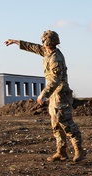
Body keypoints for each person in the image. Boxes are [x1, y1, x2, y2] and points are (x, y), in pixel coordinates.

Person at [5, 30, 86, 162]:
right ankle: (61, 152)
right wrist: (15, 42)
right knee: (56, 124)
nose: (42, 44)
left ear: (47, 43)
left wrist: (43, 93)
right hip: (54, 95)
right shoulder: (47, 52)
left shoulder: (55, 58)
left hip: (60, 94)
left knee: (66, 123)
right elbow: (33, 47)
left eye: (44, 42)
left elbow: (55, 80)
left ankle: (79, 150)